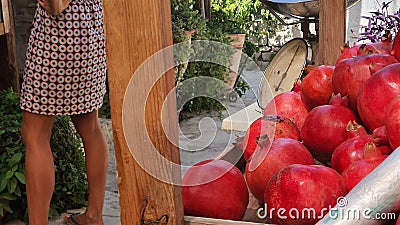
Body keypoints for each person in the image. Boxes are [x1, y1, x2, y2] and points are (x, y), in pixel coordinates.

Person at [19, 0, 109, 224]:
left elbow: (53, 4)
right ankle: (94, 215)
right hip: (91, 25)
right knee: (90, 127)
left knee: (35, 135)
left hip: (58, 30)